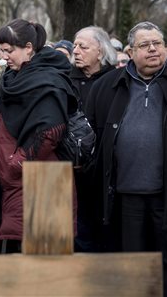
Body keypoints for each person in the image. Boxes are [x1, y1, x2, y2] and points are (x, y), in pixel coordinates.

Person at [85, 21, 167, 297]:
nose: (153, 49)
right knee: (131, 267)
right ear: (130, 52)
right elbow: (92, 136)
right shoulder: (107, 86)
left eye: (158, 43)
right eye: (145, 45)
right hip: (124, 196)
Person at [0, 19, 77, 253]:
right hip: (17, 180)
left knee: (44, 263)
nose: (3, 56)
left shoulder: (47, 79)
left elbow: (49, 132)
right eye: (1, 50)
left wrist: (15, 163)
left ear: (28, 47)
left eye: (9, 50)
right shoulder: (14, 77)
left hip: (44, 179)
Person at [70, 25, 117, 252]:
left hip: (107, 169)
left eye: (83, 46)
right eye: (75, 46)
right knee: (80, 229)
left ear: (100, 51)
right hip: (74, 170)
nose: (76, 51)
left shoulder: (116, 81)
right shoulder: (67, 81)